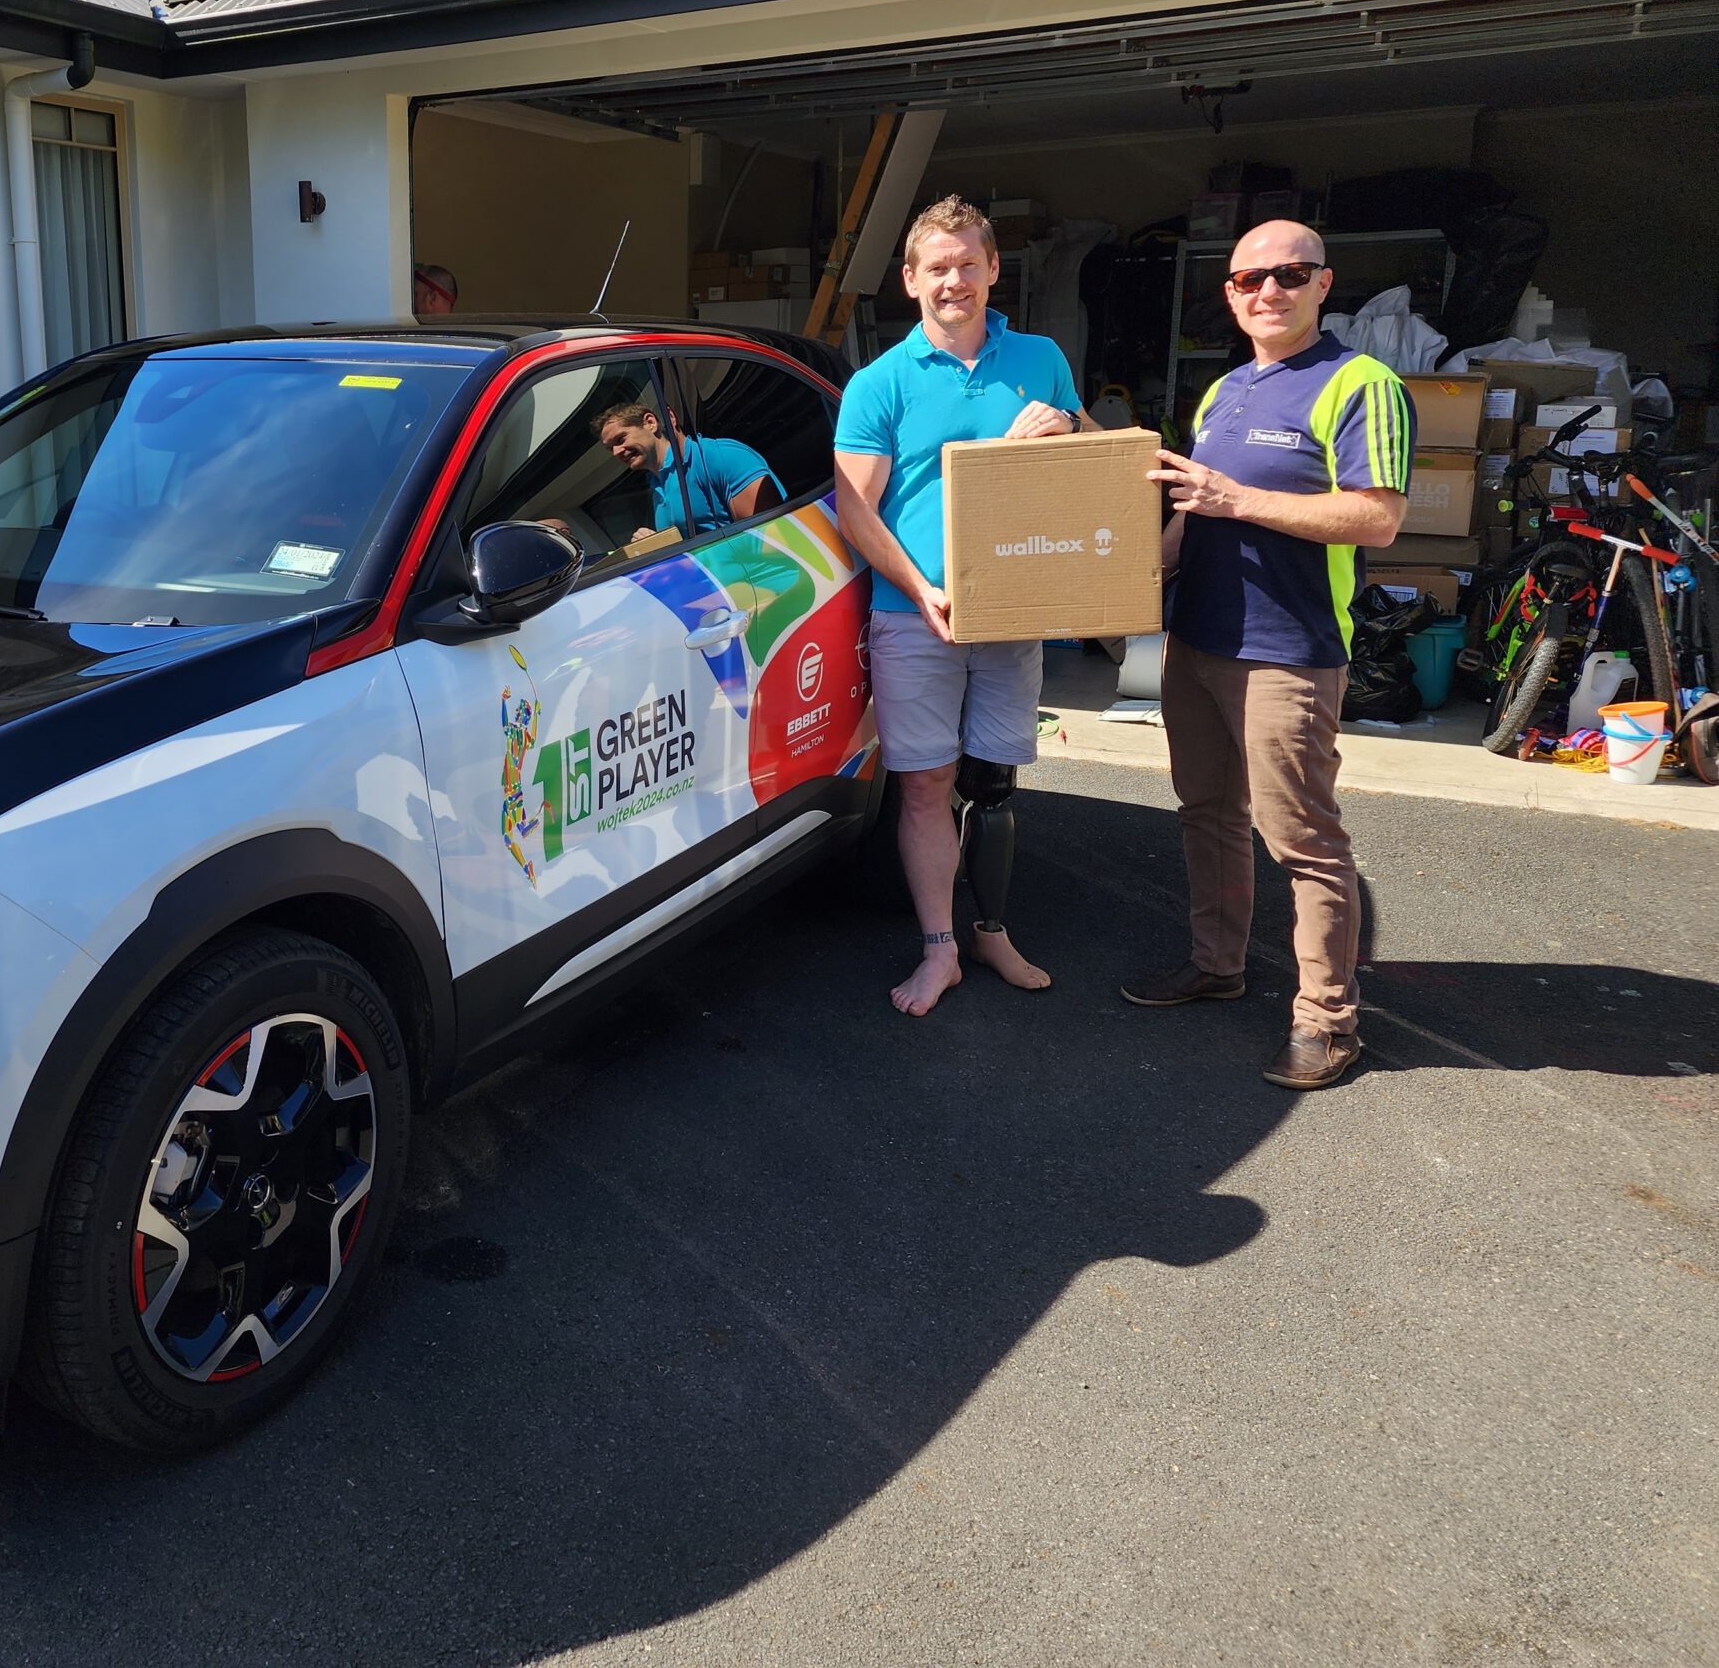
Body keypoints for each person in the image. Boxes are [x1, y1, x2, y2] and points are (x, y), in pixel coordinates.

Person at [1124, 219, 1412, 1090]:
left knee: (1303, 840)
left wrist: (1236, 497)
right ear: (1230, 294)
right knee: (1207, 812)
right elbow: (1195, 511)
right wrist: (1141, 570)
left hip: (1287, 651)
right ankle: (1217, 964)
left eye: (1289, 274)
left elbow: (1378, 518)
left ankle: (1328, 1021)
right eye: (1250, 279)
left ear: (1323, 283)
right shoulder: (1224, 391)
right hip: (1197, 639)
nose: (1269, 292)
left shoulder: (1361, 383)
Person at [832, 196, 1086, 1017]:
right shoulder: (878, 384)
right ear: (910, 279)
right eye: (937, 267)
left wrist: (1068, 431)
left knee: (994, 780)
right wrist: (921, 589)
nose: (954, 281)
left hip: (1012, 608)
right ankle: (939, 947)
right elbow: (855, 511)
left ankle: (992, 931)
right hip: (915, 615)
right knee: (925, 785)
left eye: (968, 264)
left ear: (993, 269)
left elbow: (1099, 465)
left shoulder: (1041, 358)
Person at [597, 403, 781, 541]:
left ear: (650, 423)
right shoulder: (656, 489)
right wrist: (657, 546)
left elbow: (768, 540)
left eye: (620, 439)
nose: (616, 452)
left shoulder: (720, 455)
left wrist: (669, 549)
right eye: (610, 448)